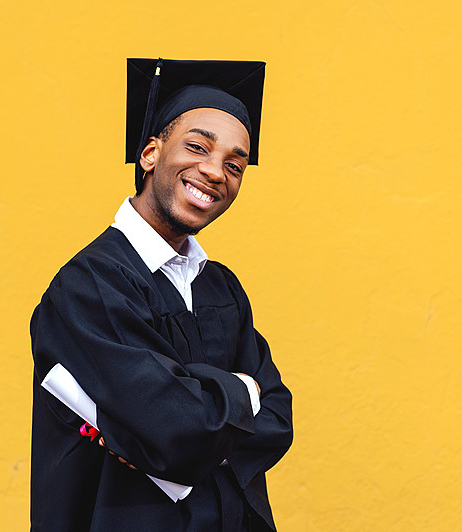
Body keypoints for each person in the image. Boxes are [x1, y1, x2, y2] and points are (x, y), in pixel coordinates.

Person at [30, 58, 293, 531]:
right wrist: (241, 392)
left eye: (235, 165)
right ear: (150, 153)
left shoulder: (222, 287)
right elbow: (179, 431)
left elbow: (277, 420)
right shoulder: (90, 285)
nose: (216, 172)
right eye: (197, 147)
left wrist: (200, 402)